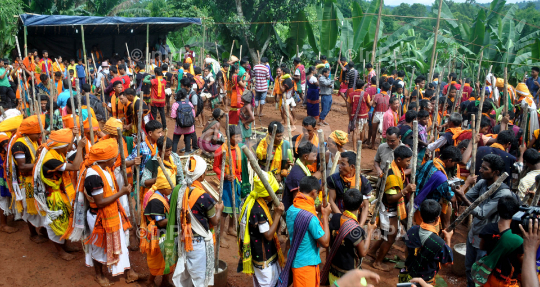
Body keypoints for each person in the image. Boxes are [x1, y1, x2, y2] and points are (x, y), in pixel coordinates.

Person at [77, 138, 144, 286]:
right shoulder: (93, 176)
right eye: (114, 157)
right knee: (99, 248)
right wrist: (122, 192)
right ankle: (99, 275)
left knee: (120, 243)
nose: (116, 159)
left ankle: (129, 272)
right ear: (106, 159)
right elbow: (100, 202)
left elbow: (122, 164)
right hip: (99, 218)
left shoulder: (105, 169)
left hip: (112, 214)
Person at [453, 153, 515, 287]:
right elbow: (464, 199)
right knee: (469, 269)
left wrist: (463, 197)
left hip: (487, 240)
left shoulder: (502, 193)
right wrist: (462, 189)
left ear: (496, 172)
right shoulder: (482, 183)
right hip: (474, 234)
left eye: (485, 168)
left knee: (481, 274)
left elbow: (481, 213)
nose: (480, 170)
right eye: (481, 167)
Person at [32, 128, 86, 261]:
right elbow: (75, 166)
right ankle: (60, 251)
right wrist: (79, 148)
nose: (71, 147)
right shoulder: (51, 159)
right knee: (55, 223)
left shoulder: (56, 153)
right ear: (62, 146)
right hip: (52, 196)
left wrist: (73, 135)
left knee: (65, 221)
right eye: (69, 144)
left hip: (59, 193)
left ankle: (65, 245)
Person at [172, 155, 224, 287]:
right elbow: (215, 221)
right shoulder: (204, 197)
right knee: (200, 279)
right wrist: (219, 210)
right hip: (198, 243)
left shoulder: (180, 190)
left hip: (184, 240)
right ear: (201, 176)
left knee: (188, 275)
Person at [369, 145, 416, 272]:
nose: (409, 163)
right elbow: (390, 198)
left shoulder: (397, 168)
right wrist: (406, 190)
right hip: (389, 208)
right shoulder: (392, 175)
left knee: (386, 234)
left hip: (389, 207)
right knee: (391, 237)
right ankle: (377, 262)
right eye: (407, 161)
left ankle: (372, 251)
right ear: (399, 159)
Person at [279, 176, 331, 287]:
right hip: (306, 266)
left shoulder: (292, 209)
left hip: (296, 260)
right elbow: (325, 242)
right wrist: (325, 216)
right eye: (317, 194)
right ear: (313, 193)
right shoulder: (310, 217)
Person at [237, 171, 285, 287]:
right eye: (273, 192)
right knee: (267, 283)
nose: (275, 194)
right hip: (263, 257)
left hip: (258, 254)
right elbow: (268, 235)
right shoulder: (258, 210)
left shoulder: (252, 199)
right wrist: (277, 215)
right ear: (266, 193)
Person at [321, 188, 376, 286]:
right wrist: (370, 231)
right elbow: (363, 252)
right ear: (361, 205)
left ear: (342, 202)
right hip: (350, 277)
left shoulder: (335, 218)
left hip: (333, 273)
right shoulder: (356, 230)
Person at [6, 115, 47, 243]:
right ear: (30, 132)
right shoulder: (18, 145)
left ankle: (44, 231)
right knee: (30, 208)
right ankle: (33, 234)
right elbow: (22, 166)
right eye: (37, 133)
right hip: (26, 182)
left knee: (42, 206)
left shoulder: (33, 141)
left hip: (36, 180)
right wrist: (41, 165)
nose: (39, 135)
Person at [139, 153, 177, 287]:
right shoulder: (156, 200)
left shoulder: (163, 196)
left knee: (168, 257)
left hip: (166, 232)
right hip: (157, 235)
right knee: (157, 259)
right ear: (163, 186)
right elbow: (160, 222)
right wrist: (175, 218)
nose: (171, 190)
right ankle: (150, 281)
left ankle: (165, 281)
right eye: (169, 187)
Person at [472, 196, 522, 286]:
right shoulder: (516, 238)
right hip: (507, 280)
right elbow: (521, 261)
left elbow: (481, 246)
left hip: (489, 275)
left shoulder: (489, 228)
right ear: (516, 212)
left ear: (498, 210)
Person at [403, 199, 453, 285]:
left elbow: (406, 250)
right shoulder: (440, 243)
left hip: (409, 273)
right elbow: (446, 263)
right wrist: (448, 239)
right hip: (425, 282)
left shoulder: (411, 230)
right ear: (437, 218)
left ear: (421, 216)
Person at [414, 146, 461, 229]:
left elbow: (417, 175)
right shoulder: (441, 177)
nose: (454, 165)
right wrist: (467, 183)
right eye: (454, 163)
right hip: (428, 211)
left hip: (417, 203)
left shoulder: (429, 163)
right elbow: (453, 198)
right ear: (449, 160)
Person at [213, 125, 243, 245]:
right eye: (236, 137)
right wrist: (225, 175)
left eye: (239, 136)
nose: (239, 139)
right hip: (226, 183)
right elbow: (215, 167)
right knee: (225, 209)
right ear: (229, 137)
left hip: (237, 181)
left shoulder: (239, 149)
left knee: (236, 207)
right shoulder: (220, 150)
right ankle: (221, 235)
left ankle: (231, 228)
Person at [327, 151, 372, 224]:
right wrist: (342, 219)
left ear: (352, 167)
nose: (339, 166)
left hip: (356, 219)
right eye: (339, 163)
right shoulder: (334, 179)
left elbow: (365, 206)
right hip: (338, 217)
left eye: (343, 164)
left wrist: (360, 225)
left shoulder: (364, 182)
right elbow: (331, 201)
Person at [283, 141, 318, 211]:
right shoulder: (298, 175)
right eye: (314, 156)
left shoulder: (302, 168)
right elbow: (297, 201)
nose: (315, 158)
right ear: (305, 156)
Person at [171, 88, 197, 154]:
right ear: (185, 95)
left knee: (175, 141)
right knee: (187, 140)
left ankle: (173, 154)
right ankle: (186, 153)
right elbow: (193, 115)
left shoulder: (175, 104)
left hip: (179, 126)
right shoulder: (189, 103)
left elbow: (173, 116)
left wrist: (179, 121)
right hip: (189, 127)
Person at [369, 82, 391, 149]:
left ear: (381, 88)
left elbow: (373, 105)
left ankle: (372, 145)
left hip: (377, 114)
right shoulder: (389, 97)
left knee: (374, 131)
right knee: (383, 131)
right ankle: (381, 146)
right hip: (384, 115)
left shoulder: (377, 95)